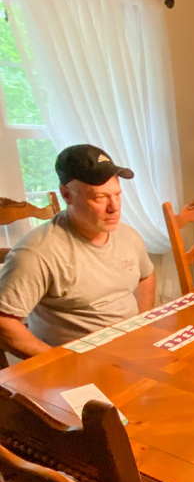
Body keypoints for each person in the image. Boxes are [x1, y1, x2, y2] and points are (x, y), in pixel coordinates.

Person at [0, 144, 155, 359]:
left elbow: (146, 276)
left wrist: (141, 324)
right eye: (100, 198)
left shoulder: (128, 236)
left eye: (117, 195)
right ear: (67, 195)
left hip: (128, 351)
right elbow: (3, 322)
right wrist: (58, 362)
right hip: (74, 362)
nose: (114, 207)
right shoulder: (35, 252)